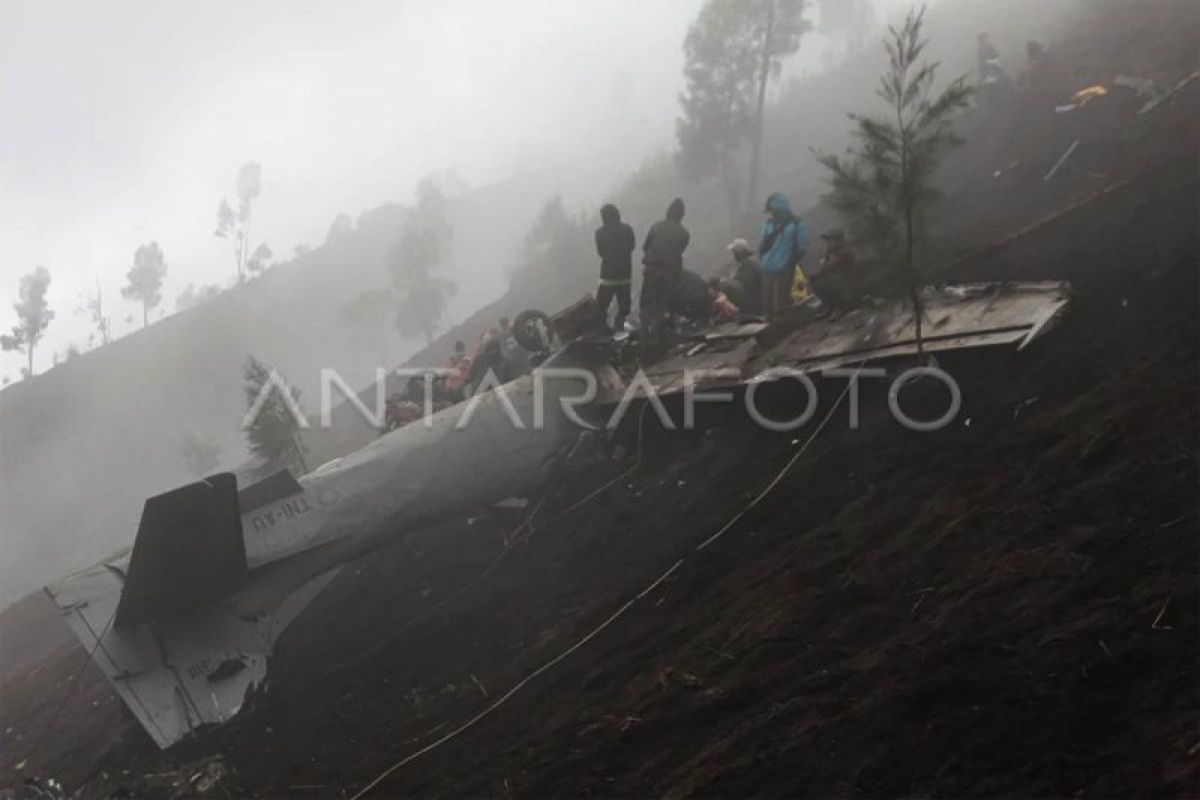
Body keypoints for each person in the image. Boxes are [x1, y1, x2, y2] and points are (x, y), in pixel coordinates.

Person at [640, 198, 690, 344]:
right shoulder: (684, 233)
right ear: (682, 215)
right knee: (661, 304)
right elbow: (679, 250)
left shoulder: (656, 226)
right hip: (670, 272)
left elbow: (645, 247)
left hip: (652, 268)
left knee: (646, 303)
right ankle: (655, 337)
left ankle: (643, 335)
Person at [758, 193, 809, 322]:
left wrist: (789, 264)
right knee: (767, 303)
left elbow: (802, 247)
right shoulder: (768, 224)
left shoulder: (797, 223)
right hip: (768, 268)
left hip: (784, 268)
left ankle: (787, 325)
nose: (772, 214)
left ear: (781, 208)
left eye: (773, 211)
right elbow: (763, 244)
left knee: (780, 302)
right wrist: (763, 259)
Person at [594, 203, 636, 331]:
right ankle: (619, 327)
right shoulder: (627, 229)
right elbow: (632, 246)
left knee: (601, 307)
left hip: (607, 276)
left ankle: (603, 329)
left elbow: (600, 252)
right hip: (624, 275)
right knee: (624, 308)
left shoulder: (600, 232)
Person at [812, 228, 861, 310]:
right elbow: (824, 265)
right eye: (827, 240)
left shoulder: (845, 250)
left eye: (829, 240)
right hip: (841, 280)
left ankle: (841, 307)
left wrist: (817, 274)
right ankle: (829, 306)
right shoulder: (831, 252)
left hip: (850, 283)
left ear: (839, 240)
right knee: (819, 282)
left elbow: (830, 266)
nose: (827, 243)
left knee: (831, 281)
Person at [725, 238, 762, 313]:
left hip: (756, 301)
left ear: (739, 252)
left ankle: (745, 311)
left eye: (734, 252)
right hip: (757, 298)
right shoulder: (751, 261)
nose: (734, 254)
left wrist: (732, 279)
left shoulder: (749, 264)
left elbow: (745, 283)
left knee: (727, 286)